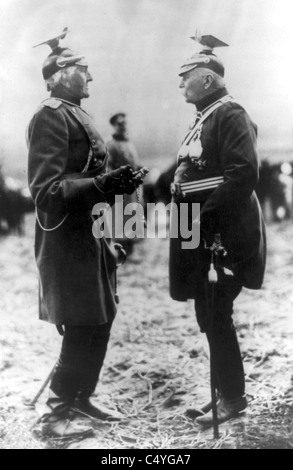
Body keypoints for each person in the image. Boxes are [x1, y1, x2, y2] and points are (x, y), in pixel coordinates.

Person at [27, 30, 144, 439]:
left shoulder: (76, 113)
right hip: (65, 242)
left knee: (101, 318)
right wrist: (104, 184)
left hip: (89, 237)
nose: (90, 78)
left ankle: (82, 397)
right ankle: (54, 416)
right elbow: (46, 192)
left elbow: (88, 182)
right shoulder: (49, 116)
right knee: (82, 323)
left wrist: (108, 227)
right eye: (83, 70)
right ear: (60, 74)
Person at [169, 34, 266, 426]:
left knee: (216, 312)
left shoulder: (231, 114)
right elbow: (196, 170)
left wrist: (203, 218)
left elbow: (243, 174)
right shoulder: (206, 117)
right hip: (202, 230)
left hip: (222, 233)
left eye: (185, 77)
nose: (180, 85)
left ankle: (233, 398)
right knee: (208, 312)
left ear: (207, 79)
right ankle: (224, 393)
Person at [106, 113, 143, 253]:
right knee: (120, 215)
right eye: (120, 123)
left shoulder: (129, 143)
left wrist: (139, 171)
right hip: (119, 189)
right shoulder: (110, 145)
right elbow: (108, 167)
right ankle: (120, 247)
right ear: (114, 125)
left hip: (132, 188)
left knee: (132, 213)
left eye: (125, 123)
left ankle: (131, 244)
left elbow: (136, 163)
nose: (123, 126)